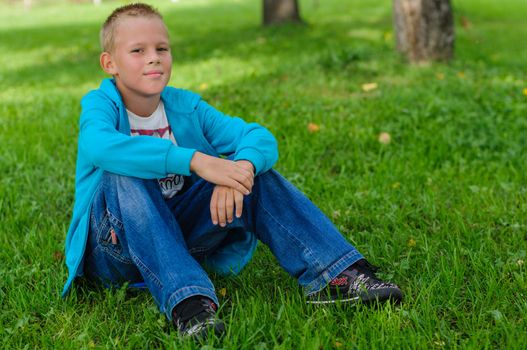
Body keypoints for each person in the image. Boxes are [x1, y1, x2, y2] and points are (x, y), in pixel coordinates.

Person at [62, 3, 403, 339]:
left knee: (256, 174)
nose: (153, 57)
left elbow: (258, 136)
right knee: (122, 172)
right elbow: (100, 146)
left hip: (180, 238)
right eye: (138, 50)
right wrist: (197, 161)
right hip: (115, 250)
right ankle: (189, 306)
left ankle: (337, 276)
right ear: (110, 64)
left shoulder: (185, 106)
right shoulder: (100, 104)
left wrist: (239, 170)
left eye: (161, 48)